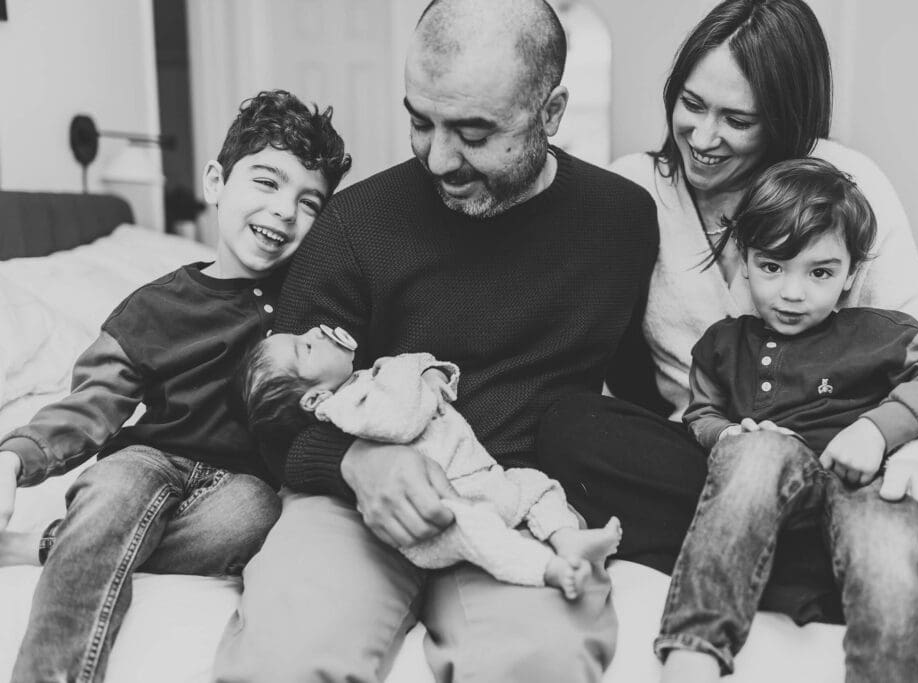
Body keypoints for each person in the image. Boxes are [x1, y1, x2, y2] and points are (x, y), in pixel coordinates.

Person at [535, 1, 918, 680]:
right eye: (692, 104)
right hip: (735, 463)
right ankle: (913, 602)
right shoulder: (633, 191)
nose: (703, 135)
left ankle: (888, 584)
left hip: (865, 455)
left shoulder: (837, 185)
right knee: (572, 429)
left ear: (784, 115)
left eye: (737, 119)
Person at [212, 1, 658, 681]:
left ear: (552, 111)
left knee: (544, 663)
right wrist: (356, 463)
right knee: (284, 659)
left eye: (475, 132)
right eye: (420, 121)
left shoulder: (621, 220)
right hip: (356, 497)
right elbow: (272, 409)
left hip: (515, 505)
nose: (439, 158)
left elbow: (636, 392)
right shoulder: (357, 222)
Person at [0, 90, 351, 683]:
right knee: (111, 494)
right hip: (149, 458)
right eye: (266, 182)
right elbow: (92, 405)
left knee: (255, 516)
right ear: (216, 181)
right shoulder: (154, 307)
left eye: (308, 202)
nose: (285, 211)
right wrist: (15, 458)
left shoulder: (311, 299)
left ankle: (59, 544)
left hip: (242, 484)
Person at [656, 157, 918, 682]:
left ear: (851, 273)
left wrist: (877, 430)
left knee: (888, 542)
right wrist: (727, 435)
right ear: (744, 260)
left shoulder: (877, 332)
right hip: (767, 487)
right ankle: (694, 650)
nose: (792, 292)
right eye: (772, 266)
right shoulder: (722, 345)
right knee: (755, 450)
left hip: (861, 486)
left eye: (820, 273)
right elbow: (699, 411)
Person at [239, 325, 622, 599]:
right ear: (313, 400)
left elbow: (416, 396)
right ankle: (545, 568)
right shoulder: (342, 407)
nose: (315, 333)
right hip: (436, 510)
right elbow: (398, 421)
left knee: (538, 485)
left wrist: (427, 372)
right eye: (304, 348)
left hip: (483, 480)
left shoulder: (361, 383)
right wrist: (407, 365)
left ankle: (567, 539)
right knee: (482, 536)